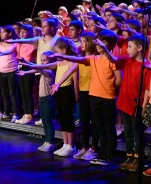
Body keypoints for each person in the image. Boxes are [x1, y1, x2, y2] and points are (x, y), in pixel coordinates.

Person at [51, 30, 121, 165]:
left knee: (108, 127)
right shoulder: (93, 59)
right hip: (94, 96)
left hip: (108, 97)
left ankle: (108, 155)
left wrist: (108, 85)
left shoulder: (113, 60)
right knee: (99, 127)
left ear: (109, 45)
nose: (99, 44)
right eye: (98, 42)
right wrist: (62, 56)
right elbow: (79, 59)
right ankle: (101, 154)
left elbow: (118, 80)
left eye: (103, 42)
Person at [21, 37, 79, 157]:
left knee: (68, 119)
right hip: (58, 91)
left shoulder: (72, 62)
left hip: (68, 91)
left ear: (64, 50)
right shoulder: (58, 63)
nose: (56, 53)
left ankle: (71, 145)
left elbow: (75, 82)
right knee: (62, 118)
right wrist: (28, 64)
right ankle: (65, 144)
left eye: (57, 51)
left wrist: (76, 97)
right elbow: (42, 67)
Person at [100, 34, 150, 172]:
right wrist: (104, 48)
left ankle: (138, 158)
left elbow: (147, 90)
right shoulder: (127, 61)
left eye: (129, 47)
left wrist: (144, 108)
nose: (126, 50)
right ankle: (129, 157)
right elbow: (113, 59)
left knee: (137, 133)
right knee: (128, 132)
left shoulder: (146, 67)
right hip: (124, 103)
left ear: (139, 48)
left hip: (136, 106)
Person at [17, 51, 56, 152]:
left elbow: (38, 68)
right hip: (42, 99)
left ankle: (50, 142)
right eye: (41, 60)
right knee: (45, 123)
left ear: (51, 61)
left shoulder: (49, 72)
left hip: (48, 99)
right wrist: (25, 71)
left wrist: (26, 63)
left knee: (48, 122)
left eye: (45, 60)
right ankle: (46, 141)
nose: (42, 63)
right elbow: (36, 69)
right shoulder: (43, 69)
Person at [14, 24, 36, 124]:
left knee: (28, 92)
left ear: (30, 32)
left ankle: (29, 114)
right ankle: (26, 113)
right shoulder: (19, 43)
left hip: (28, 67)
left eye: (25, 31)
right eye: (21, 31)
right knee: (22, 92)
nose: (22, 33)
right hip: (20, 67)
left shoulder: (32, 44)